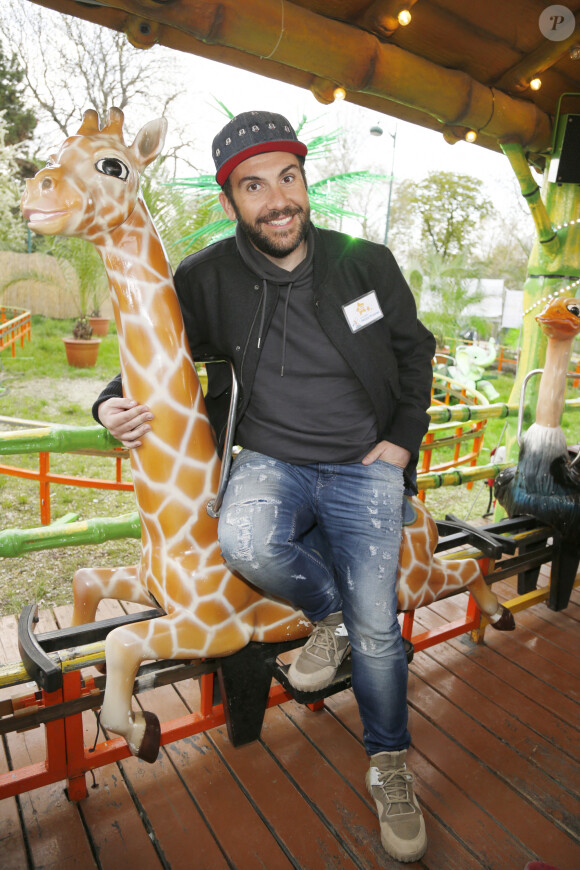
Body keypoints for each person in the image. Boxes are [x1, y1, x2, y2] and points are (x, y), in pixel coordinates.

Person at [94, 111, 436, 863]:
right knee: (245, 540)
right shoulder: (208, 276)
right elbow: (161, 350)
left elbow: (416, 351)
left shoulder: (365, 263)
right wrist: (108, 399)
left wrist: (400, 442)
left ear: (304, 181)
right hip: (269, 458)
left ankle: (390, 763)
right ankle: (331, 615)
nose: (277, 199)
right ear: (230, 201)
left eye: (288, 177)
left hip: (363, 464)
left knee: (381, 630)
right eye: (254, 186)